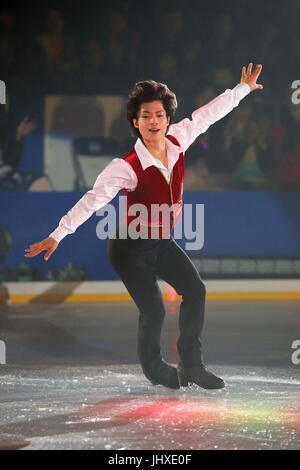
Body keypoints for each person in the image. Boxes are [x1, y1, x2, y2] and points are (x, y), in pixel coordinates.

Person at [24, 63, 263, 390]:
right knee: (154, 311)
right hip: (129, 247)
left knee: (195, 290)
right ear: (135, 122)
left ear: (168, 118)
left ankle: (193, 365)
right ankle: (155, 369)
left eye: (160, 115)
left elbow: (207, 115)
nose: (154, 121)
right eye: (146, 116)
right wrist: (57, 235)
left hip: (160, 241)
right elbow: (92, 201)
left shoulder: (179, 140)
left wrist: (242, 90)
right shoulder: (125, 167)